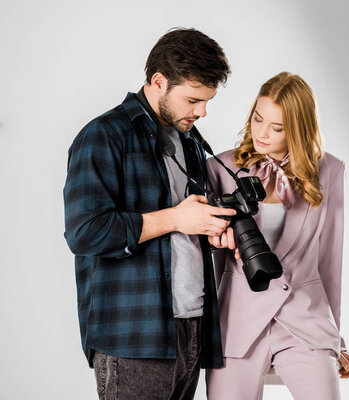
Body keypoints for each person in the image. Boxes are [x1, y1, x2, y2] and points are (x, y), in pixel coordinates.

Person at [63, 28, 236, 400]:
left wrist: (209, 230)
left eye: (207, 101)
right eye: (193, 99)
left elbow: (183, 229)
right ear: (159, 81)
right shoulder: (104, 136)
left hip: (191, 326)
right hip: (135, 336)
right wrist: (174, 218)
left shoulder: (188, 141)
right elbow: (86, 232)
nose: (202, 111)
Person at [205, 72, 349, 400]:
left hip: (305, 322)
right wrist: (205, 333)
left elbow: (331, 260)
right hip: (238, 324)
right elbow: (210, 263)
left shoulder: (329, 171)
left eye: (277, 128)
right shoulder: (220, 168)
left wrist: (336, 339)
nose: (261, 133)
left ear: (299, 130)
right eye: (258, 119)